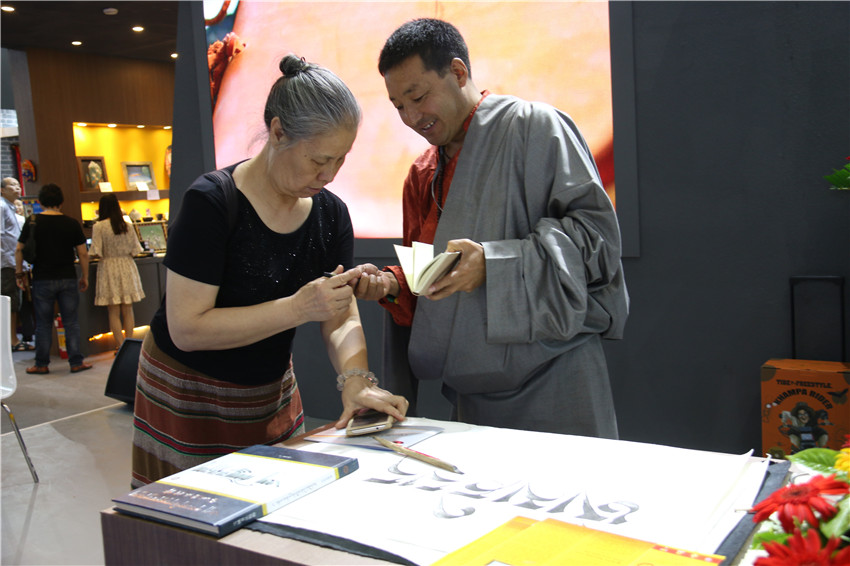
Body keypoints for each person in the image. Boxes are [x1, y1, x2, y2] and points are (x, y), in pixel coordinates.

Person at [131, 54, 409, 488]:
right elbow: (187, 328)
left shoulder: (330, 214)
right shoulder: (212, 203)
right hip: (189, 395)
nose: (329, 174)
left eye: (340, 159)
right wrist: (297, 308)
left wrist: (356, 380)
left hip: (269, 393)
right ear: (278, 132)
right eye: (318, 160)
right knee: (196, 518)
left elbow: (339, 313)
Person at [354, 19, 629, 437]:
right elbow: (428, 285)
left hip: (556, 372)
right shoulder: (422, 175)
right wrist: (391, 285)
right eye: (398, 106)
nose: (411, 117)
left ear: (458, 72)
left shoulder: (536, 127)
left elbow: (598, 243)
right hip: (471, 394)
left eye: (418, 97)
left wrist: (493, 264)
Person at [15, 183, 92, 374]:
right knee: (71, 321)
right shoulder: (71, 223)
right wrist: (85, 276)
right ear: (61, 202)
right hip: (67, 277)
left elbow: (19, 249)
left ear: (40, 202)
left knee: (43, 323)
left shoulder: (32, 222)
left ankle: (41, 364)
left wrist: (19, 273)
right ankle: (76, 362)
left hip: (42, 278)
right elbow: (83, 253)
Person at [89, 194, 145, 351]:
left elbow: (95, 251)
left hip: (108, 267)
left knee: (113, 311)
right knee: (128, 309)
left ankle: (120, 346)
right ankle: (129, 344)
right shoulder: (126, 225)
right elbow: (136, 250)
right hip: (127, 266)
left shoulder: (99, 227)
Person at [2, 177, 31, 351]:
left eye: (18, 185)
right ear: (2, 190)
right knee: (10, 303)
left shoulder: (11, 208)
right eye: (12, 185)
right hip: (6, 263)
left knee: (14, 303)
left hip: (14, 262)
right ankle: (11, 341)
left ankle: (12, 340)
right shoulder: (1, 207)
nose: (17, 188)